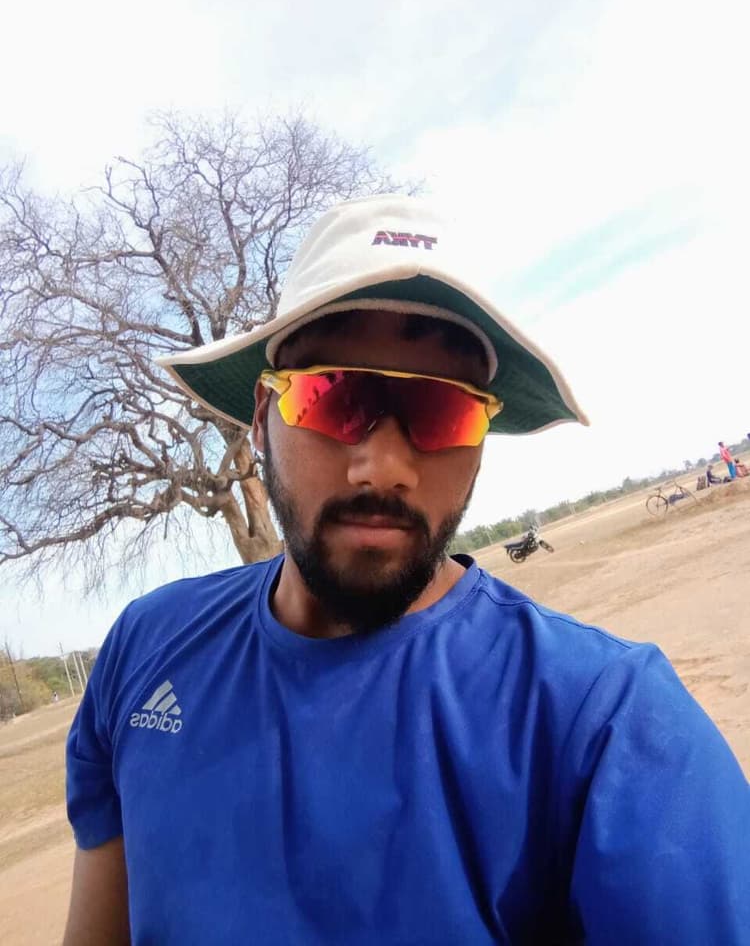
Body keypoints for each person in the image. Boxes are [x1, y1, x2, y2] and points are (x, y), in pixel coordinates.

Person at [64, 195, 749, 945]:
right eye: (334, 395)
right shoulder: (146, 651)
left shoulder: (610, 730)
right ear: (262, 417)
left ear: (481, 442)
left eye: (443, 411)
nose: (384, 466)